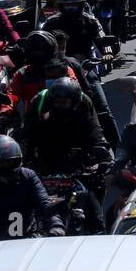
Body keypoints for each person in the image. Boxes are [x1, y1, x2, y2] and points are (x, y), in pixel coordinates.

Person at [19, 77, 112, 232]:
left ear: (74, 102)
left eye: (64, 102)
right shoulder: (42, 118)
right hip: (45, 173)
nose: (60, 106)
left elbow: (96, 136)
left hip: (77, 173)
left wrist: (102, 155)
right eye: (57, 102)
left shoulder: (83, 116)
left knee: (96, 218)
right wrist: (22, 159)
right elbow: (26, 139)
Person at [0, 136, 65, 239]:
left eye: (11, 162)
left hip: (27, 239)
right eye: (1, 163)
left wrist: (56, 226)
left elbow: (44, 204)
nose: (7, 167)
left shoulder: (28, 176)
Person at [41, 0, 110, 62]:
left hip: (84, 64)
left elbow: (102, 38)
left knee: (94, 75)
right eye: (67, 6)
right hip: (57, 65)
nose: (70, 9)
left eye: (74, 6)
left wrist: (107, 53)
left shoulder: (90, 21)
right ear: (61, 6)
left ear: (81, 5)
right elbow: (41, 39)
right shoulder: (51, 22)